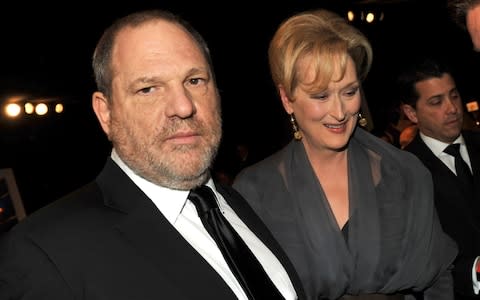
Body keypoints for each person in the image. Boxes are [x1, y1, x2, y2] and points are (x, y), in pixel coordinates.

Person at [0, 9, 305, 300]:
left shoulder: (236, 202)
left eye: (195, 81)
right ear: (106, 113)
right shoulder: (45, 252)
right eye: (148, 89)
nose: (183, 106)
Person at [233, 8, 458, 300]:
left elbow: (438, 278)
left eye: (349, 92)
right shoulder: (255, 192)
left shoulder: (403, 173)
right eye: (321, 96)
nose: (340, 113)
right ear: (287, 99)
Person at [398, 57, 480, 300]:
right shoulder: (403, 174)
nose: (452, 108)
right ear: (411, 112)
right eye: (436, 102)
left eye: (454, 96)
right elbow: (413, 261)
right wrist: (472, 271)